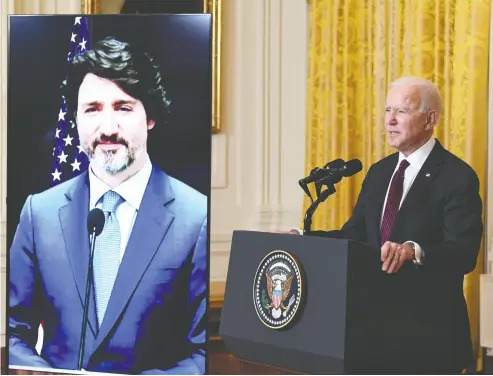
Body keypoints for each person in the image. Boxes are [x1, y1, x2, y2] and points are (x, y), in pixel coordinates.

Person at [9, 37, 207, 374]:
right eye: (92, 109)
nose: (108, 129)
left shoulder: (197, 216)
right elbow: (14, 333)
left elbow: (202, 353)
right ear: (75, 118)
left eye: (123, 107)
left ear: (150, 117)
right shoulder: (37, 214)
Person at [286, 77, 483, 374]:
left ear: (430, 119)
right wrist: (301, 238)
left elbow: (463, 253)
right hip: (375, 335)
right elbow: (354, 236)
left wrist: (413, 251)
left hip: (429, 338)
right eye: (387, 110)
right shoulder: (379, 172)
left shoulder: (457, 176)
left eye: (401, 111)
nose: (390, 120)